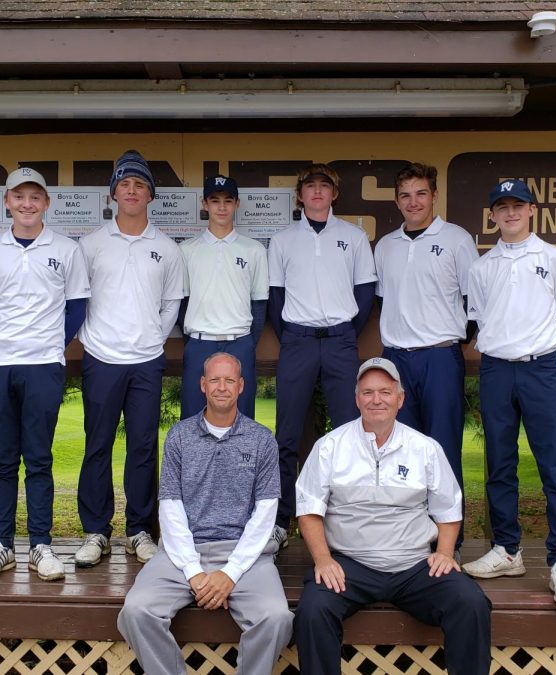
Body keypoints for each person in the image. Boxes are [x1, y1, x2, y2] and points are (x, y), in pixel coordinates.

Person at [294, 357, 491, 674]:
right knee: (313, 611)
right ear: (357, 398)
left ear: (400, 399)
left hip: (413, 565)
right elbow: (308, 511)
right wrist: (323, 559)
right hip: (349, 565)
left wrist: (443, 552)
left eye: (385, 392)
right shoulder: (329, 446)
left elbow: (448, 507)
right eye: (368, 392)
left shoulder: (425, 448)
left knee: (470, 603)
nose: (376, 400)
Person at [118, 352, 293, 674]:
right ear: (203, 385)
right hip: (182, 551)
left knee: (276, 617)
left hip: (246, 553)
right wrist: (194, 571)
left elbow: (265, 514)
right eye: (215, 380)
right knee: (137, 610)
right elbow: (170, 507)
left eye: (229, 380)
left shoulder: (261, 440)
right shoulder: (179, 437)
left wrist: (230, 573)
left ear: (241, 386)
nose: (222, 387)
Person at [462, 178, 556, 609]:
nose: (510, 213)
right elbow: (478, 318)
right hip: (495, 370)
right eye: (502, 206)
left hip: (541, 369)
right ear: (492, 215)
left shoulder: (555, 258)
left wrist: (540, 355)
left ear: (532, 210)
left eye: (518, 205)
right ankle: (507, 550)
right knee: (500, 464)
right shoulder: (482, 267)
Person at [0, 166, 90, 583]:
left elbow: (76, 307)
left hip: (43, 364)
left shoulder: (67, 249)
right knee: (2, 461)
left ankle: (41, 544)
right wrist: (13, 339)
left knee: (38, 459)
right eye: (18, 196)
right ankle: (1, 545)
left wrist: (52, 345)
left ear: (46, 204)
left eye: (34, 197)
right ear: (7, 202)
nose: (26, 204)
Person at [74, 150, 184, 567]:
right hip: (102, 358)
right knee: (97, 445)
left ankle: (139, 530)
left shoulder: (167, 248)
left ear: (150, 195)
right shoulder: (91, 245)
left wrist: (154, 337)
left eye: (140, 185)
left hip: (146, 361)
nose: (132, 190)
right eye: (125, 184)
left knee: (142, 446)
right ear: (114, 193)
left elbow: (172, 301)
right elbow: (77, 298)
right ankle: (96, 531)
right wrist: (89, 337)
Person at [267, 163, 376, 548]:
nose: (317, 192)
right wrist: (297, 334)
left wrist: (341, 332)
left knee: (351, 433)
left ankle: (347, 521)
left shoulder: (354, 237)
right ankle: (282, 522)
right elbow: (275, 299)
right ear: (300, 194)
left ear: (334, 193)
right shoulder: (281, 240)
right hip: (296, 341)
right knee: (287, 435)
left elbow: (365, 296)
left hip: (340, 343)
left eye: (324, 186)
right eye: (310, 186)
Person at [373, 162, 479, 553]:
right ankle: (410, 538)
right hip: (396, 360)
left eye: (420, 193)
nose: (413, 202)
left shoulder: (456, 240)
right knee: (398, 450)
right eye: (405, 195)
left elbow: (475, 300)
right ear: (397, 201)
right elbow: (384, 298)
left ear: (434, 195)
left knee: (443, 449)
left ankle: (449, 540)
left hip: (439, 358)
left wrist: (452, 342)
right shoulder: (386, 246)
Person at [179, 175, 268, 419]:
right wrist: (194, 339)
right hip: (199, 342)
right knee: (193, 418)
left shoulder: (254, 250)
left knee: (241, 418)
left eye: (228, 201)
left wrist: (247, 341)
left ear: (237, 204)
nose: (221, 207)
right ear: (204, 204)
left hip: (239, 342)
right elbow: (182, 303)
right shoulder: (187, 250)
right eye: (214, 200)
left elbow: (259, 305)